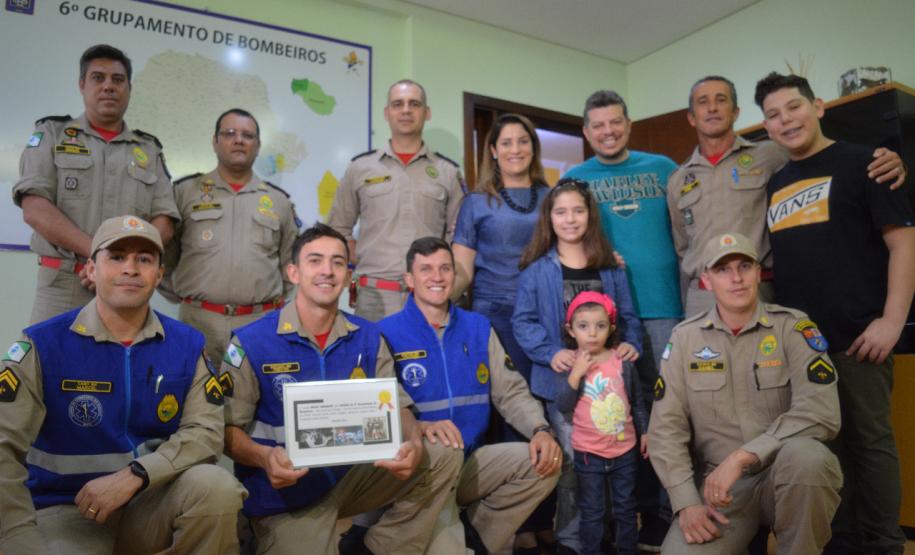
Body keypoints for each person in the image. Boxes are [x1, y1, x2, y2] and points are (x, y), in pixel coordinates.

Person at [0, 215, 245, 554]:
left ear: (159, 274)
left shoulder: (188, 344)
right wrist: (16, 537)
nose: (130, 269)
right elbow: (4, 445)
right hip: (67, 512)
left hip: (150, 504)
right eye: (116, 257)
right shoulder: (43, 344)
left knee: (216, 487)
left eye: (144, 259)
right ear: (91, 269)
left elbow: (205, 433)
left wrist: (136, 475)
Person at [221, 223, 463, 555]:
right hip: (286, 492)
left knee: (443, 454)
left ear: (349, 275)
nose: (327, 271)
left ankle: (380, 548)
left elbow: (397, 404)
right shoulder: (251, 342)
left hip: (353, 478)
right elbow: (226, 431)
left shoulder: (368, 335)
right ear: (293, 272)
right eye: (315, 260)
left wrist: (414, 443)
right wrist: (265, 458)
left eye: (337, 262)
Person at [755, 72, 915, 555]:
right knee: (824, 449)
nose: (786, 120)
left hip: (860, 339)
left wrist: (892, 322)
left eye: (794, 107)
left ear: (818, 106)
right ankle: (839, 543)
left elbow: (903, 244)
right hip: (803, 348)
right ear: (766, 127)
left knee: (871, 444)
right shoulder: (776, 184)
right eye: (773, 115)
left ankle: (884, 544)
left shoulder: (866, 163)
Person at [649, 231, 842, 554]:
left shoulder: (793, 328)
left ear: (758, 272)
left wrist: (742, 457)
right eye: (723, 269)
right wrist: (686, 502)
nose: (736, 278)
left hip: (785, 474)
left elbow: (821, 412)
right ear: (707, 280)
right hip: (721, 490)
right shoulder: (685, 339)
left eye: (744, 266)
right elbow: (665, 429)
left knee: (810, 458)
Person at [377, 237, 561, 555]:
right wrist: (417, 428)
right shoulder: (384, 332)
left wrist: (540, 429)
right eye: (426, 269)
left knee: (545, 462)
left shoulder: (478, 327)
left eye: (445, 268)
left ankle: (475, 539)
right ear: (409, 279)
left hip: (470, 462)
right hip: (421, 469)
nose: (437, 277)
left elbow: (511, 391)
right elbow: (381, 410)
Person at [666, 75, 906, 317]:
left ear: (736, 112)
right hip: (703, 297)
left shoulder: (771, 154)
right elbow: (682, 248)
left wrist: (894, 162)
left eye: (721, 99)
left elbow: (820, 157)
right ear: (691, 117)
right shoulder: (677, 179)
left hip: (761, 290)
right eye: (703, 102)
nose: (712, 108)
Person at [563, 89, 679, 550]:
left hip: (665, 308)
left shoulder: (664, 168)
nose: (608, 131)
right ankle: (623, 517)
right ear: (586, 132)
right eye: (598, 125)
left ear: (628, 124)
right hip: (605, 321)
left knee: (666, 413)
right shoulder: (575, 178)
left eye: (615, 122)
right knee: (617, 413)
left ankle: (667, 516)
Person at [513, 178, 642, 555]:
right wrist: (550, 352)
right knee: (573, 469)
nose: (570, 219)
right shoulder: (537, 270)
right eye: (561, 212)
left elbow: (628, 317)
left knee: (614, 467)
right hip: (563, 387)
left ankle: (610, 539)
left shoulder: (611, 267)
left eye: (578, 211)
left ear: (590, 216)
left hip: (610, 389)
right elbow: (523, 321)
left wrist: (631, 344)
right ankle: (572, 542)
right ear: (549, 218)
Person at [13, 44, 179, 324]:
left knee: (122, 354)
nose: (108, 86)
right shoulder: (51, 134)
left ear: (129, 88)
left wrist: (117, 264)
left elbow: (165, 220)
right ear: (82, 85)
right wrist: (101, 257)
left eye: (118, 79)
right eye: (98, 78)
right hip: (64, 285)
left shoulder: (148, 150)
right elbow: (35, 208)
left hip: (126, 286)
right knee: (49, 353)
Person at [451, 113, 555, 554]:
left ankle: (545, 516)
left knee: (545, 412)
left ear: (533, 148)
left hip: (544, 318)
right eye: (505, 143)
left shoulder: (550, 198)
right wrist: (435, 299)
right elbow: (461, 269)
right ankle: (514, 522)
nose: (515, 149)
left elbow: (569, 247)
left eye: (522, 141)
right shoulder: (476, 203)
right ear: (492, 151)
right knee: (508, 416)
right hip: (493, 319)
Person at [162, 108, 299, 363]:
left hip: (258, 324)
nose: (239, 140)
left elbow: (289, 267)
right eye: (230, 133)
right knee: (198, 388)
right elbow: (164, 258)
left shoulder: (278, 201)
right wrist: (188, 297)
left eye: (248, 135)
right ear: (215, 142)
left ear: (257, 146)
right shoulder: (185, 192)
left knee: (253, 388)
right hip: (198, 323)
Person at [328, 79, 465, 321]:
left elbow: (459, 238)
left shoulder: (448, 172)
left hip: (429, 295)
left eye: (414, 104)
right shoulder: (360, 168)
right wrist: (367, 256)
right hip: (374, 298)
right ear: (387, 113)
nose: (406, 110)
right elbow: (338, 229)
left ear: (427, 112)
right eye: (398, 104)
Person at [555, 291, 649, 555]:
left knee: (626, 508)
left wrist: (645, 432)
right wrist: (576, 374)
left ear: (612, 328)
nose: (592, 333)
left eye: (600, 326)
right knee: (592, 511)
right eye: (583, 326)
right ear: (571, 330)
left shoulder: (622, 362)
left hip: (624, 451)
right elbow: (563, 405)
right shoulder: (570, 363)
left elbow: (637, 402)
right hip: (589, 454)